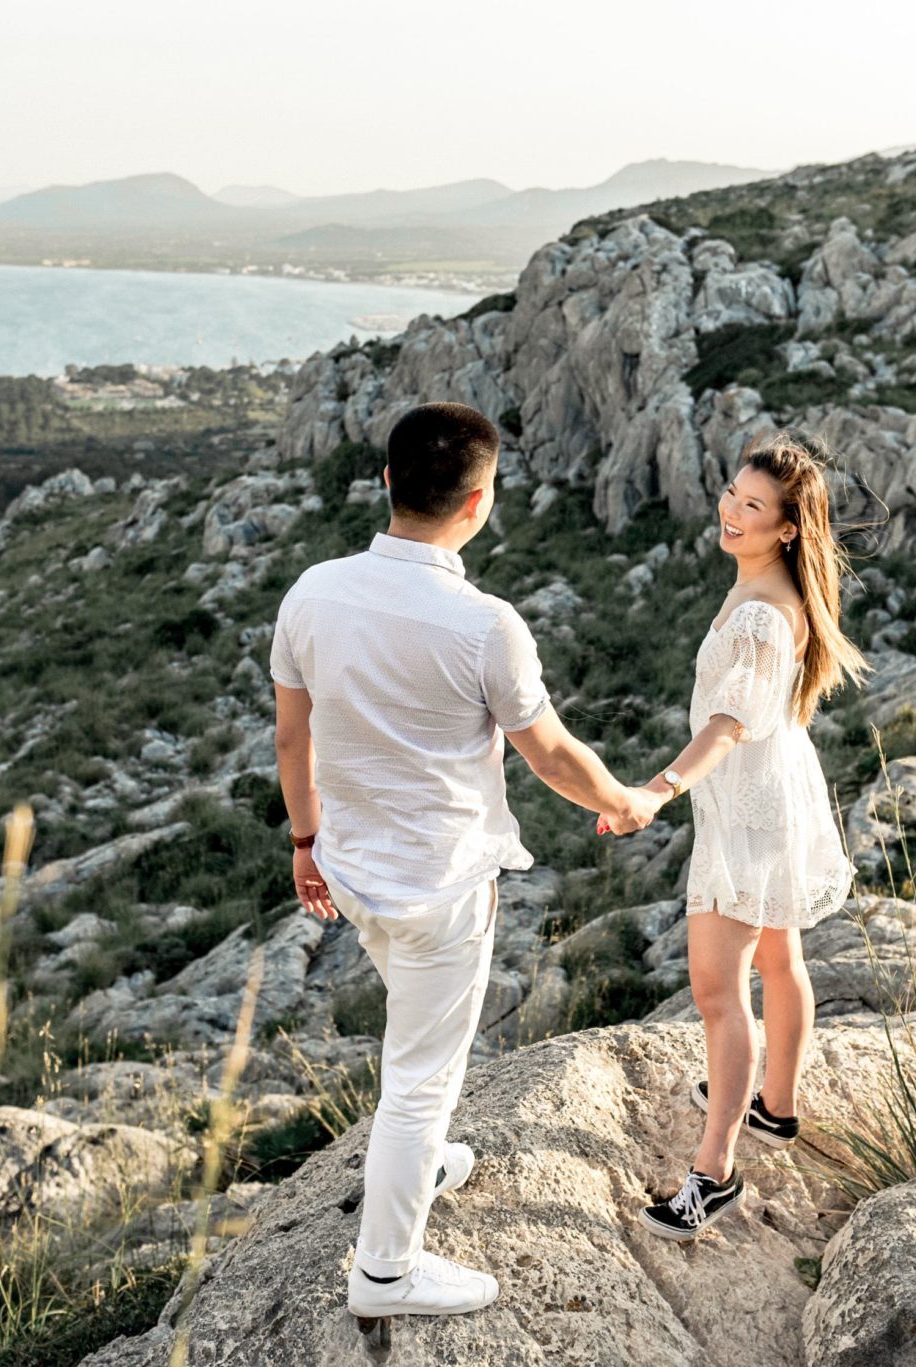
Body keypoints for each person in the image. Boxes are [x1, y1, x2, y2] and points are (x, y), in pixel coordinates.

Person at [271, 401, 665, 1320]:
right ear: (481, 500)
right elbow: (552, 754)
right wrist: (626, 801)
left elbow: (294, 740)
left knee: (412, 1053)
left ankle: (416, 1161)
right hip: (441, 888)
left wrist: (304, 841)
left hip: (351, 869)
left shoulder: (312, 593)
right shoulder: (484, 624)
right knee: (419, 1079)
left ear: (386, 483)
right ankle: (385, 1273)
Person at [608, 431, 871, 1242]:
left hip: (748, 806)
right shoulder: (774, 587)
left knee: (719, 992)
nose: (730, 509)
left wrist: (659, 787)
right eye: (731, 491)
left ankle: (714, 1172)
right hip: (773, 791)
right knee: (779, 957)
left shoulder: (761, 612)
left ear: (786, 527)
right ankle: (776, 1107)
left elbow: (726, 723)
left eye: (752, 506)